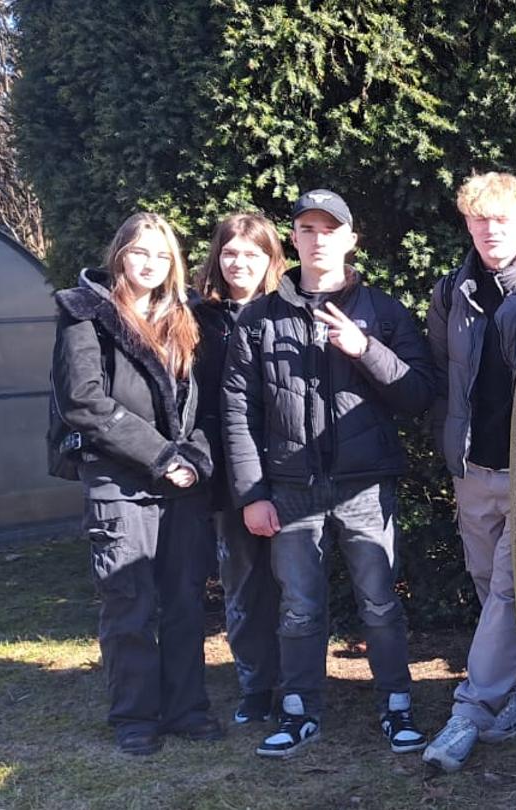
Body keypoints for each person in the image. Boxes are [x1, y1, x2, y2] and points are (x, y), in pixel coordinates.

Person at [222, 189, 438, 759]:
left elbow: (419, 395)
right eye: (308, 229)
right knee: (299, 607)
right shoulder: (260, 318)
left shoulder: (383, 311)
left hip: (366, 487)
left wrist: (365, 349)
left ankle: (396, 706)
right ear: (293, 239)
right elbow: (239, 413)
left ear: (351, 239)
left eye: (330, 229)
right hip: (291, 491)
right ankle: (299, 711)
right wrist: (252, 494)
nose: (319, 240)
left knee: (380, 603)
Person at [420, 172, 516, 772]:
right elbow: (442, 374)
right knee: (493, 590)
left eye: (502, 218)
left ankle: (471, 711)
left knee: (510, 589)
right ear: (467, 223)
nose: (491, 229)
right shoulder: (452, 291)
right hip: (473, 467)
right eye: (480, 219)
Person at [53, 212, 219, 756]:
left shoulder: (189, 317)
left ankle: (188, 708)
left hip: (183, 480)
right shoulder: (85, 314)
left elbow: (210, 404)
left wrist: (193, 459)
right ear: (119, 254)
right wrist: (161, 456)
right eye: (140, 252)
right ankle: (135, 716)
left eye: (162, 255)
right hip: (118, 479)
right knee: (129, 600)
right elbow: (84, 402)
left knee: (185, 599)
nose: (151, 264)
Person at [191, 212, 288, 728]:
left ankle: (298, 681)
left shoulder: (290, 312)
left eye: (252, 254)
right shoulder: (198, 320)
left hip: (292, 469)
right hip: (231, 475)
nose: (239, 263)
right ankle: (256, 685)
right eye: (230, 252)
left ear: (271, 259)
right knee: (244, 583)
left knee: (294, 584)